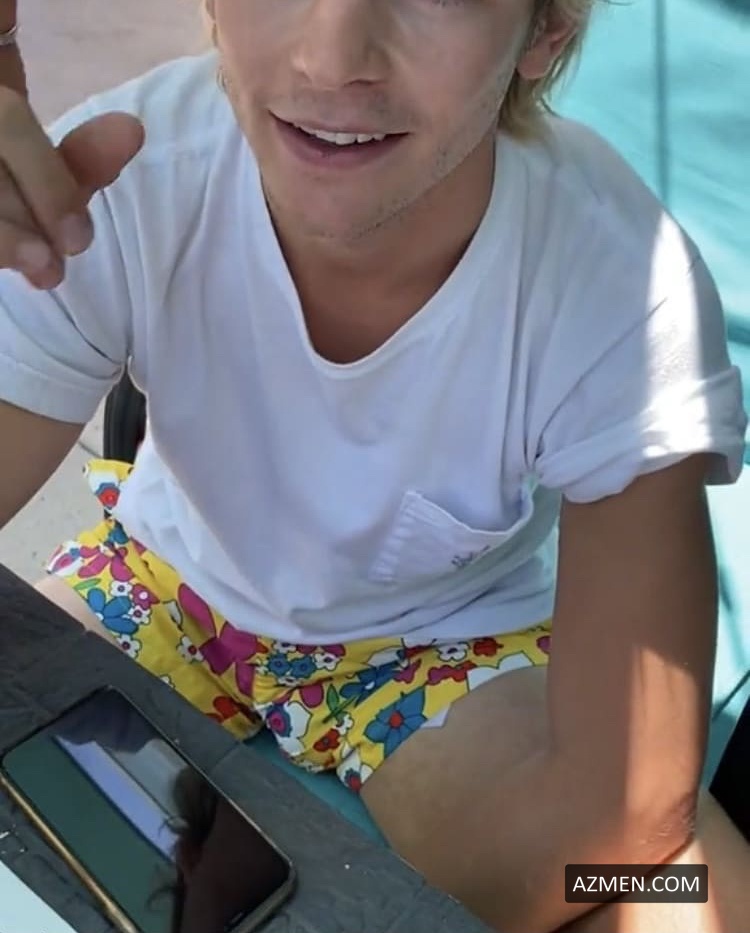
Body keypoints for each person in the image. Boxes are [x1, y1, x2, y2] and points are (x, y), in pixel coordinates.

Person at [0, 1, 748, 930]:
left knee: (689, 892)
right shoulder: (126, 174)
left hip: (435, 644)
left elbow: (629, 810)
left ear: (546, 27)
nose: (332, 57)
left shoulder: (617, 284)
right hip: (161, 582)